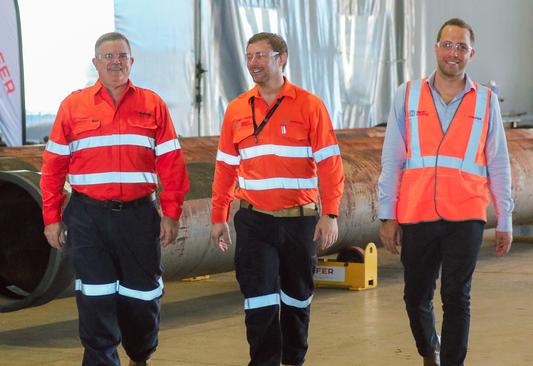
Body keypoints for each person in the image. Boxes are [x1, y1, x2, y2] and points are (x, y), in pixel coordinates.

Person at [40, 32, 189, 366]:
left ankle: (140, 355)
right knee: (95, 296)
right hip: (87, 218)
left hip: (139, 217)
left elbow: (172, 164)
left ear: (131, 62)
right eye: (108, 56)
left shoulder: (153, 105)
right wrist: (51, 218)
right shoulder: (73, 106)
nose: (115, 62)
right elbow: (53, 168)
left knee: (142, 296)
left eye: (121, 55)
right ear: (95, 63)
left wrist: (171, 212)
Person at [377, 18, 514, 366]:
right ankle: (429, 351)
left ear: (471, 53)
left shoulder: (485, 101)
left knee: (456, 296)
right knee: (415, 296)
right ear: (436, 48)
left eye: (461, 47)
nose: (453, 53)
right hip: (417, 211)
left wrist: (506, 219)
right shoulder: (407, 95)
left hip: (466, 214)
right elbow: (392, 158)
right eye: (447, 45)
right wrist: (387, 213)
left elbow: (498, 163)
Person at [210, 32, 344, 366]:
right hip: (254, 221)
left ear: (281, 57)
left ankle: (293, 360)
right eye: (249, 55)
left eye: (260, 55)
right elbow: (225, 168)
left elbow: (330, 164)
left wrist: (331, 214)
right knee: (259, 302)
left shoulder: (309, 105)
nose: (253, 63)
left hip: (299, 222)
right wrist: (218, 216)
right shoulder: (237, 109)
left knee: (297, 300)